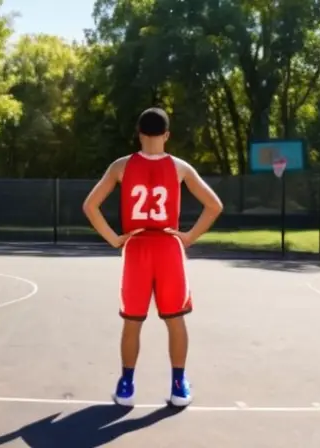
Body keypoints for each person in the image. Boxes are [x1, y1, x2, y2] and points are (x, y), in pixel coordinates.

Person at [82, 107, 223, 407]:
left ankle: (126, 385)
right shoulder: (180, 168)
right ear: (167, 135)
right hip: (168, 247)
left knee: (132, 321)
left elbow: (90, 206)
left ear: (139, 133)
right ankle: (178, 385)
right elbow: (214, 205)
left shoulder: (120, 166)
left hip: (136, 248)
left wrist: (115, 239)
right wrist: (188, 237)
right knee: (175, 320)